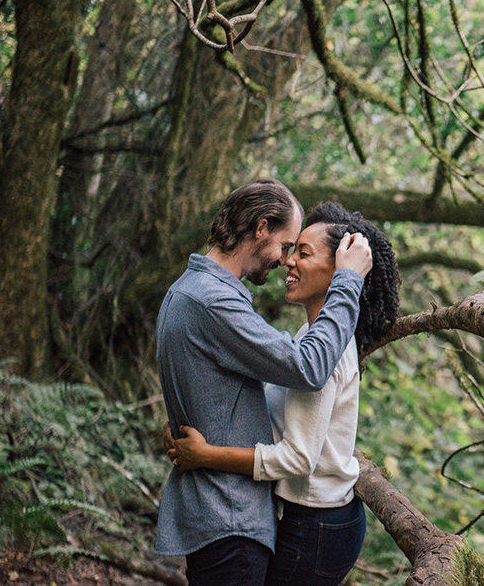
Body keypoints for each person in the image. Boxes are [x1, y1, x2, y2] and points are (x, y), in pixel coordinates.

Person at [167, 202, 400, 586]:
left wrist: (206, 456)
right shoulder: (308, 342)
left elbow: (297, 459)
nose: (288, 261)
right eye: (291, 250)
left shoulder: (325, 356)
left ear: (338, 272)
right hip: (304, 517)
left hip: (316, 525)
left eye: (303, 253)